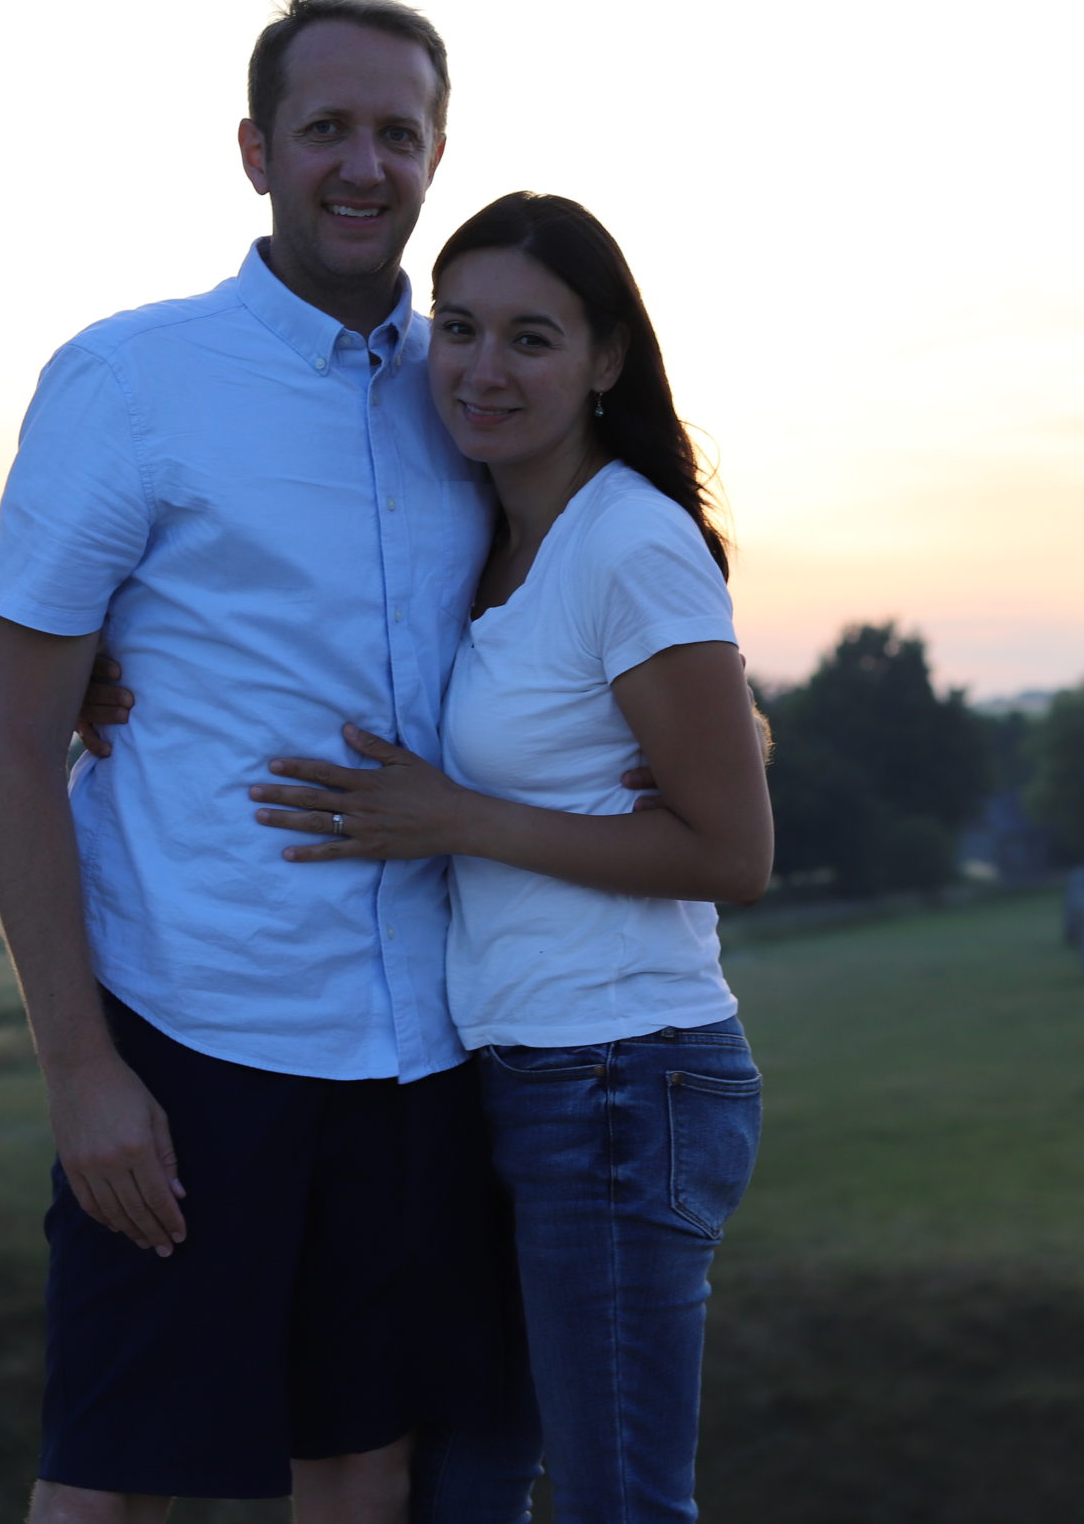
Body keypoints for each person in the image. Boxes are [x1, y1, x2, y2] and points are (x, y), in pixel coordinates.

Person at [0, 0, 539, 1524]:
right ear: (256, 152)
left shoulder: (478, 388)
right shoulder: (130, 381)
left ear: (436, 156)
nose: (364, 165)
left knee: (361, 1465)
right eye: (327, 130)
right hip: (185, 1028)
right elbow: (20, 737)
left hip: (420, 1047)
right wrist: (81, 1069)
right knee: (112, 1481)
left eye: (397, 134)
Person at [244, 191, 775, 1524]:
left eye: (532, 339)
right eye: (462, 330)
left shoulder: (630, 543)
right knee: (466, 1488)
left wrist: (456, 819)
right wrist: (109, 669)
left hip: (620, 1073)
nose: (484, 370)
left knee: (619, 1503)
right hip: (512, 1074)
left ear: (606, 360)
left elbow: (732, 848)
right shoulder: (486, 535)